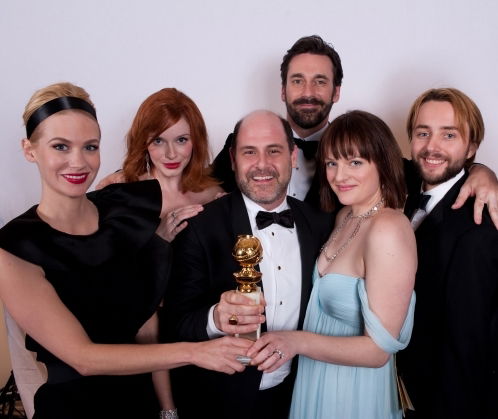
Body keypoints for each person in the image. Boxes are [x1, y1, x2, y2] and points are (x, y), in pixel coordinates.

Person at [0, 82, 252, 419]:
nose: (78, 162)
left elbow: (145, 318)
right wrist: (197, 353)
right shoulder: (15, 246)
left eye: (90, 147)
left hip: (141, 397)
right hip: (76, 407)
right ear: (29, 150)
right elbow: (84, 358)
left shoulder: (124, 209)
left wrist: (166, 406)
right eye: (60, 146)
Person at [211, 35, 498, 226]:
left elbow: (429, 168)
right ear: (283, 90)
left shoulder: (364, 149)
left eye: (320, 81)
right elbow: (202, 186)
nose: (308, 92)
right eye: (297, 81)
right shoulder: (245, 146)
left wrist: (480, 171)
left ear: (336, 92)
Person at [245, 110, 417, 419]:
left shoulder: (389, 228)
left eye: (355, 162)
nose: (339, 176)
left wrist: (295, 342)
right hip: (315, 379)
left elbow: (378, 352)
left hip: (353, 393)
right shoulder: (344, 216)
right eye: (332, 163)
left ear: (382, 162)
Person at [163, 110, 332, 419]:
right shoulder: (200, 227)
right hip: (220, 404)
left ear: (293, 156)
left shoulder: (320, 224)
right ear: (233, 159)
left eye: (274, 150)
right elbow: (173, 324)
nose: (262, 165)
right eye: (249, 152)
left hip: (302, 399)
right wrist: (215, 318)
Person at [397, 88, 498, 419]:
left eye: (449, 135)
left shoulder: (478, 227)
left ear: (471, 147)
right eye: (423, 133)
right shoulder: (402, 191)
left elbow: (467, 347)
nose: (432, 147)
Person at [96, 87, 223, 241]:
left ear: (196, 141)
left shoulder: (213, 195)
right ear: (143, 142)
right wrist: (158, 239)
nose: (171, 154)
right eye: (158, 141)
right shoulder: (123, 195)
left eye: (181, 140)